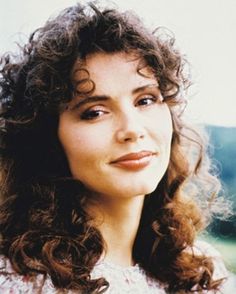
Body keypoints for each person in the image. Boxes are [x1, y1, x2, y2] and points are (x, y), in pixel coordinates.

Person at [0, 1, 230, 293]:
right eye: (94, 111)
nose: (132, 129)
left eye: (145, 100)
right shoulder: (18, 280)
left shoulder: (202, 272)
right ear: (47, 138)